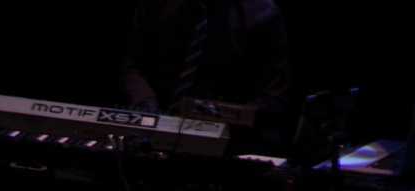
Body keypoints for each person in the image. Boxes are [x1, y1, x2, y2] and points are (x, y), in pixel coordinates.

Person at [119, 0, 291, 152]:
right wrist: (147, 108)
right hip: (153, 134)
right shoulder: (158, 4)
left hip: (230, 143)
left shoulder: (263, 14)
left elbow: (273, 98)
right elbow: (134, 66)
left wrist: (215, 113)